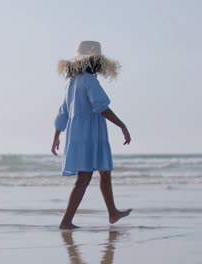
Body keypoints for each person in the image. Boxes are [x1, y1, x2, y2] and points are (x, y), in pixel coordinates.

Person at [51, 41, 132, 230]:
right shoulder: (89, 80)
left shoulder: (71, 82)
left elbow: (62, 112)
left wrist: (56, 135)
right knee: (84, 178)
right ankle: (66, 221)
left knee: (105, 171)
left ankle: (113, 212)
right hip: (90, 134)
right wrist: (122, 125)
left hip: (77, 134)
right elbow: (101, 106)